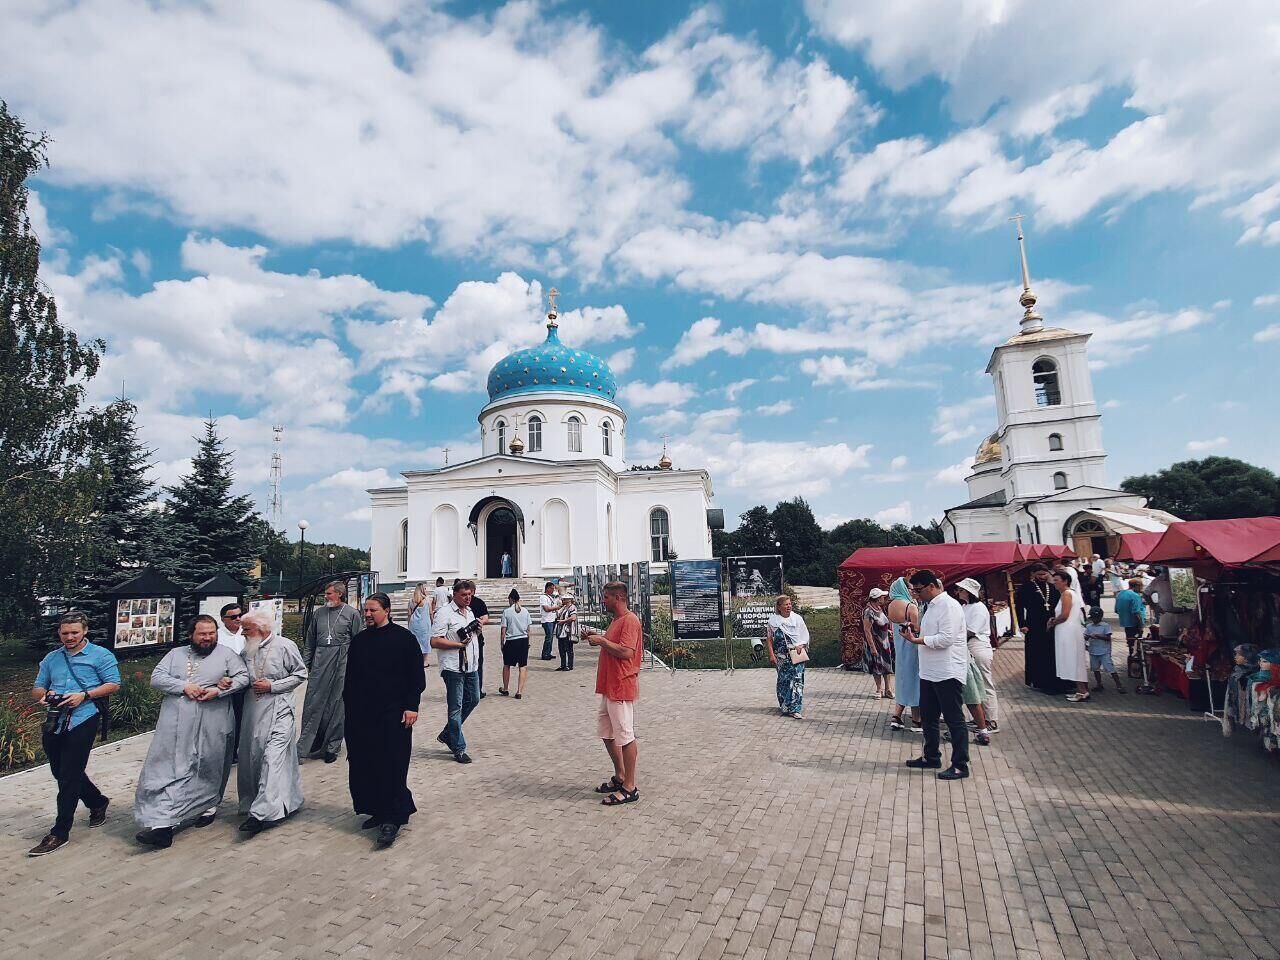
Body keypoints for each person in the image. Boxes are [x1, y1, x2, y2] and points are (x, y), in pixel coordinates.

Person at [135, 615, 249, 849]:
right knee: (171, 768)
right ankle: (162, 824)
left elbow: (243, 677)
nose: (208, 638)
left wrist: (219, 691)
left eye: (212, 633)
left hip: (213, 719)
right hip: (176, 722)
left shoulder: (227, 655)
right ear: (191, 635)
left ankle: (208, 805)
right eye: (202, 634)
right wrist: (184, 686)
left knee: (209, 764)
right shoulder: (175, 654)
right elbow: (157, 678)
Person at [27, 613, 121, 857]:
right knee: (61, 771)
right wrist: (44, 696)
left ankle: (60, 832)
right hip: (55, 719)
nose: (69, 637)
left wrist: (85, 695)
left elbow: (114, 684)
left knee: (68, 776)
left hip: (84, 717)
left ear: (85, 631)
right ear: (59, 633)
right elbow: (37, 688)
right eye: (65, 633)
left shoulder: (101, 655)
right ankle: (97, 801)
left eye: (74, 632)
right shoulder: (52, 658)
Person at [343, 593, 425, 849]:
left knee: (392, 762)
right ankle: (376, 809)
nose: (367, 614)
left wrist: (412, 706)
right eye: (365, 611)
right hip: (363, 713)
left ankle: (393, 817)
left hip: (393, 712)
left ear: (387, 611)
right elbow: (351, 679)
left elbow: (415, 676)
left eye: (372, 610)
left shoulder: (404, 639)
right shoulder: (360, 641)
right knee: (367, 762)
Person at [235, 610, 307, 834]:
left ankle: (261, 814)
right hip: (253, 712)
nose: (243, 633)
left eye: (247, 629)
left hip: (279, 709)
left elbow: (300, 674)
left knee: (272, 758)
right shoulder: (247, 649)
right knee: (251, 757)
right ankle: (256, 802)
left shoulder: (284, 645)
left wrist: (273, 686)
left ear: (262, 628)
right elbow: (242, 674)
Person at [902, 570, 970, 781]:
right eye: (913, 591)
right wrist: (916, 632)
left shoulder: (949, 606)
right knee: (928, 717)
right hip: (929, 671)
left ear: (932, 586)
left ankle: (960, 764)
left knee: (953, 719)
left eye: (918, 590)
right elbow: (931, 632)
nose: (916, 595)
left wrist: (918, 641)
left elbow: (946, 639)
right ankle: (932, 755)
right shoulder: (930, 606)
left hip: (947, 671)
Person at [583, 581, 644, 806]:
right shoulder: (617, 620)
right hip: (609, 686)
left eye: (606, 597)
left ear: (618, 597)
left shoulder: (630, 620)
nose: (603, 601)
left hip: (621, 685)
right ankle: (620, 775)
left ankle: (630, 786)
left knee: (625, 735)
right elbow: (612, 644)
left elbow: (627, 652)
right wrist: (598, 638)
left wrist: (602, 641)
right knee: (607, 732)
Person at [298, 581, 362, 764]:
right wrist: (305, 664)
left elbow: (358, 643)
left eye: (329, 594)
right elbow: (310, 641)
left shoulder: (352, 614)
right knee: (313, 702)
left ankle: (332, 747)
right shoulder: (319, 613)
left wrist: (357, 669)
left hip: (342, 663)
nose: (326, 597)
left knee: (337, 704)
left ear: (339, 594)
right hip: (320, 662)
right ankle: (308, 743)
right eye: (325, 594)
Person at [431, 579, 483, 764]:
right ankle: (459, 748)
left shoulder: (469, 611)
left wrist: (477, 630)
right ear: (454, 595)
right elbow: (434, 641)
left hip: (471, 665)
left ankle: (448, 733)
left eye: (470, 594)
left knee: (474, 699)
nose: (468, 598)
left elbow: (471, 635)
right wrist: (458, 644)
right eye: (464, 595)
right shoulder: (444, 613)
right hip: (453, 667)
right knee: (456, 707)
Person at [956, 578, 998, 736]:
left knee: (985, 684)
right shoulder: (965, 607)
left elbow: (971, 630)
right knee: (975, 685)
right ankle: (980, 718)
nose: (958, 592)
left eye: (961, 590)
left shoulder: (979, 608)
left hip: (977, 645)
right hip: (968, 647)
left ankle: (992, 719)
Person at [1016, 563, 1062, 693]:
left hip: (1051, 623)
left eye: (1044, 574)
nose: (1042, 577)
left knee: (1051, 652)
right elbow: (1019, 607)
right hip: (1033, 624)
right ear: (1033, 575)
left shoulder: (1052, 588)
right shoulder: (1026, 588)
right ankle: (1037, 680)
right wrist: (1022, 624)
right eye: (1039, 574)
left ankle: (1053, 679)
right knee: (1036, 653)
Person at [764, 595, 809, 719]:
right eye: (785, 604)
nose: (788, 606)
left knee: (797, 680)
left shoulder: (797, 619)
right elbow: (769, 639)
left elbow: (804, 635)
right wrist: (772, 655)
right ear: (779, 607)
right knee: (784, 681)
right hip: (781, 657)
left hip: (796, 655)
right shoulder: (773, 621)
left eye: (790, 604)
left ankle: (795, 708)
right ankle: (785, 706)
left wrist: (801, 644)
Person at [1050, 567, 1091, 702]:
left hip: (1068, 631)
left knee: (1073, 659)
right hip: (1069, 630)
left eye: (1057, 580)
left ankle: (1082, 691)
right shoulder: (1071, 593)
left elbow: (1065, 615)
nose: (1054, 583)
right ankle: (1082, 689)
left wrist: (1053, 622)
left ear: (1065, 581)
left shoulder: (1066, 594)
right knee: (1075, 659)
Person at [888, 578, 923, 733]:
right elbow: (917, 629)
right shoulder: (911, 606)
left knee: (902, 680)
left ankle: (897, 716)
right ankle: (916, 719)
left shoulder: (891, 606)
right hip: (912, 647)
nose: (912, 591)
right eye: (909, 588)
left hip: (899, 648)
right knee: (915, 681)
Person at [218, 602, 247, 763]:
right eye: (233, 616)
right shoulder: (218, 636)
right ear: (223, 619)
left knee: (242, 717)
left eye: (240, 615)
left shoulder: (247, 632)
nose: (238, 619)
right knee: (226, 719)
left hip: (244, 683)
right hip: (225, 683)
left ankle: (238, 750)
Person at [861, 588, 895, 700]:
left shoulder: (879, 608)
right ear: (877, 599)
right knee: (877, 666)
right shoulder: (868, 611)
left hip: (885, 643)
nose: (884, 598)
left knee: (887, 665)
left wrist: (888, 632)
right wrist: (872, 647)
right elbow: (867, 630)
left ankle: (888, 689)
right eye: (882, 597)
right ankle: (879, 689)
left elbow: (883, 624)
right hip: (876, 643)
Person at [1084, 607, 1127, 693]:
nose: (1094, 620)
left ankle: (1119, 685)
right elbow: (1085, 636)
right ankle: (1099, 684)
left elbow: (1108, 637)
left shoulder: (1105, 626)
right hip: (1093, 650)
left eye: (1095, 618)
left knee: (1110, 668)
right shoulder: (1089, 626)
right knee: (1095, 669)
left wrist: (1097, 636)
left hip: (1104, 651)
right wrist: (1088, 637)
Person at [499, 589, 532, 699]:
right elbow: (528, 629)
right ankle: (519, 691)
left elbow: (503, 630)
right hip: (523, 640)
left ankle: (505, 688)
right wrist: (528, 642)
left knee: (507, 665)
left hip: (511, 641)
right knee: (522, 666)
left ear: (511, 599)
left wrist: (502, 644)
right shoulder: (525, 611)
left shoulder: (506, 612)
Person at [1115, 576, 1148, 654]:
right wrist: (1140, 626)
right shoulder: (1135, 596)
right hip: (1135, 624)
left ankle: (1131, 657)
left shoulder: (1120, 594)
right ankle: (1137, 661)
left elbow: (1116, 610)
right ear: (1136, 585)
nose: (1141, 589)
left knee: (1130, 643)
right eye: (1141, 586)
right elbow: (1136, 612)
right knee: (1137, 644)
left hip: (1126, 624)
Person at [470, 590, 491, 697]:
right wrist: (479, 622)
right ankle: (477, 689)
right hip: (477, 637)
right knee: (478, 664)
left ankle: (471, 690)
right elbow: (486, 618)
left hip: (473, 638)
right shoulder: (479, 602)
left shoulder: (475, 602)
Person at [407, 583, 432, 666]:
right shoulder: (427, 600)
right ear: (423, 590)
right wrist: (432, 622)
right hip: (425, 623)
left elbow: (409, 614)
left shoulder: (411, 600)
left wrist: (409, 624)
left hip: (414, 623)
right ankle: (425, 661)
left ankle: (416, 659)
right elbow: (430, 613)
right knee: (425, 641)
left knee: (415, 641)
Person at [554, 592, 579, 671]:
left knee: (568, 649)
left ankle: (569, 665)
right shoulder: (563, 608)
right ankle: (563, 664)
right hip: (561, 631)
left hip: (568, 630)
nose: (563, 600)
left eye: (564, 599)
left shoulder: (572, 607)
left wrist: (563, 621)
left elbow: (573, 617)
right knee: (561, 649)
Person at [539, 582, 560, 660]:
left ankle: (548, 652)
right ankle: (545, 654)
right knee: (548, 637)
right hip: (547, 620)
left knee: (551, 638)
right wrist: (557, 608)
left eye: (553, 588)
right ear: (547, 588)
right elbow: (546, 609)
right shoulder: (543, 597)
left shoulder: (551, 597)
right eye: (551, 588)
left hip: (552, 619)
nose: (552, 590)